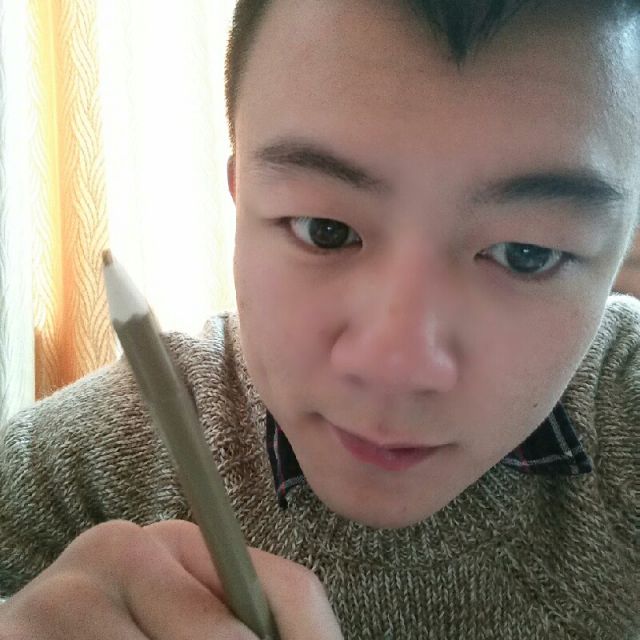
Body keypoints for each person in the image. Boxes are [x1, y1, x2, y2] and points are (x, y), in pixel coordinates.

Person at [1, 0, 639, 637]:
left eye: (526, 254)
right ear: (239, 194)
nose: (395, 368)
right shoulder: (73, 479)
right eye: (326, 230)